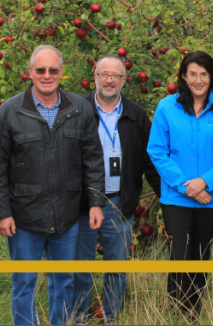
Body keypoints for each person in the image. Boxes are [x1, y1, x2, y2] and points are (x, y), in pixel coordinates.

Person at [0, 44, 105, 325]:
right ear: (30, 72)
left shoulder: (80, 109)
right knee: (24, 283)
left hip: (67, 214)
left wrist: (96, 203)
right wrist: (2, 212)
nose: (47, 75)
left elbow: (93, 160)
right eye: (40, 70)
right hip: (24, 216)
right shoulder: (9, 112)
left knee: (63, 281)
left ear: (62, 72)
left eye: (53, 70)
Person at [147, 50, 213, 321]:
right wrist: (186, 185)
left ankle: (193, 315)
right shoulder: (167, 107)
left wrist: (205, 181)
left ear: (212, 76)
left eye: (204, 74)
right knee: (179, 255)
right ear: (183, 76)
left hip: (210, 198)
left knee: (201, 256)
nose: (198, 80)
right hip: (176, 197)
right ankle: (175, 315)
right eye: (192, 74)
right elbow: (157, 151)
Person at [72, 54, 163, 322]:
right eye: (104, 74)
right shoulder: (78, 110)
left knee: (117, 267)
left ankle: (111, 317)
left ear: (124, 80)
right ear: (95, 77)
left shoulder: (136, 115)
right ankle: (78, 316)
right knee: (80, 266)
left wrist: (165, 198)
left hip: (119, 204)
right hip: (82, 205)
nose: (109, 80)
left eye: (116, 76)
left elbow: (149, 160)